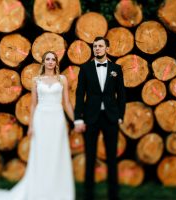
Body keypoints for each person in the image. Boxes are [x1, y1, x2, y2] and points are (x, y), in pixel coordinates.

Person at [0, 51, 75, 200]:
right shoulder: (37, 80)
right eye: (47, 59)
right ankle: (40, 190)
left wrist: (76, 120)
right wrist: (31, 126)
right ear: (43, 62)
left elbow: (66, 102)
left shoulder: (62, 79)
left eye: (53, 59)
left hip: (57, 117)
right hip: (42, 118)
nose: (50, 62)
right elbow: (34, 104)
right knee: (41, 153)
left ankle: (57, 190)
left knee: (56, 151)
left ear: (56, 62)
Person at [74, 36, 126, 200]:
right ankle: (88, 195)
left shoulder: (116, 69)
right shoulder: (85, 68)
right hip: (91, 118)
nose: (97, 48)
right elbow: (80, 94)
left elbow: (121, 95)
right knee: (90, 156)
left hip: (111, 117)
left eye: (100, 46)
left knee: (112, 157)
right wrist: (78, 118)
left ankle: (113, 195)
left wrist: (120, 115)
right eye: (95, 46)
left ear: (107, 48)